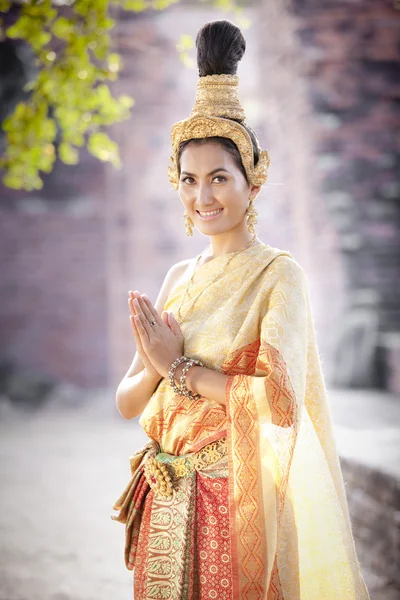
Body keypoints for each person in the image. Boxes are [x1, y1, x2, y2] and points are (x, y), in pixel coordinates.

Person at [111, 19, 371, 600]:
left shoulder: (279, 275)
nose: (203, 197)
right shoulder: (180, 277)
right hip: (164, 496)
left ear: (253, 181)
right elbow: (128, 402)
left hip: (232, 499)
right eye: (189, 180)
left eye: (219, 178)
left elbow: (280, 402)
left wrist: (180, 368)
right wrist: (155, 363)